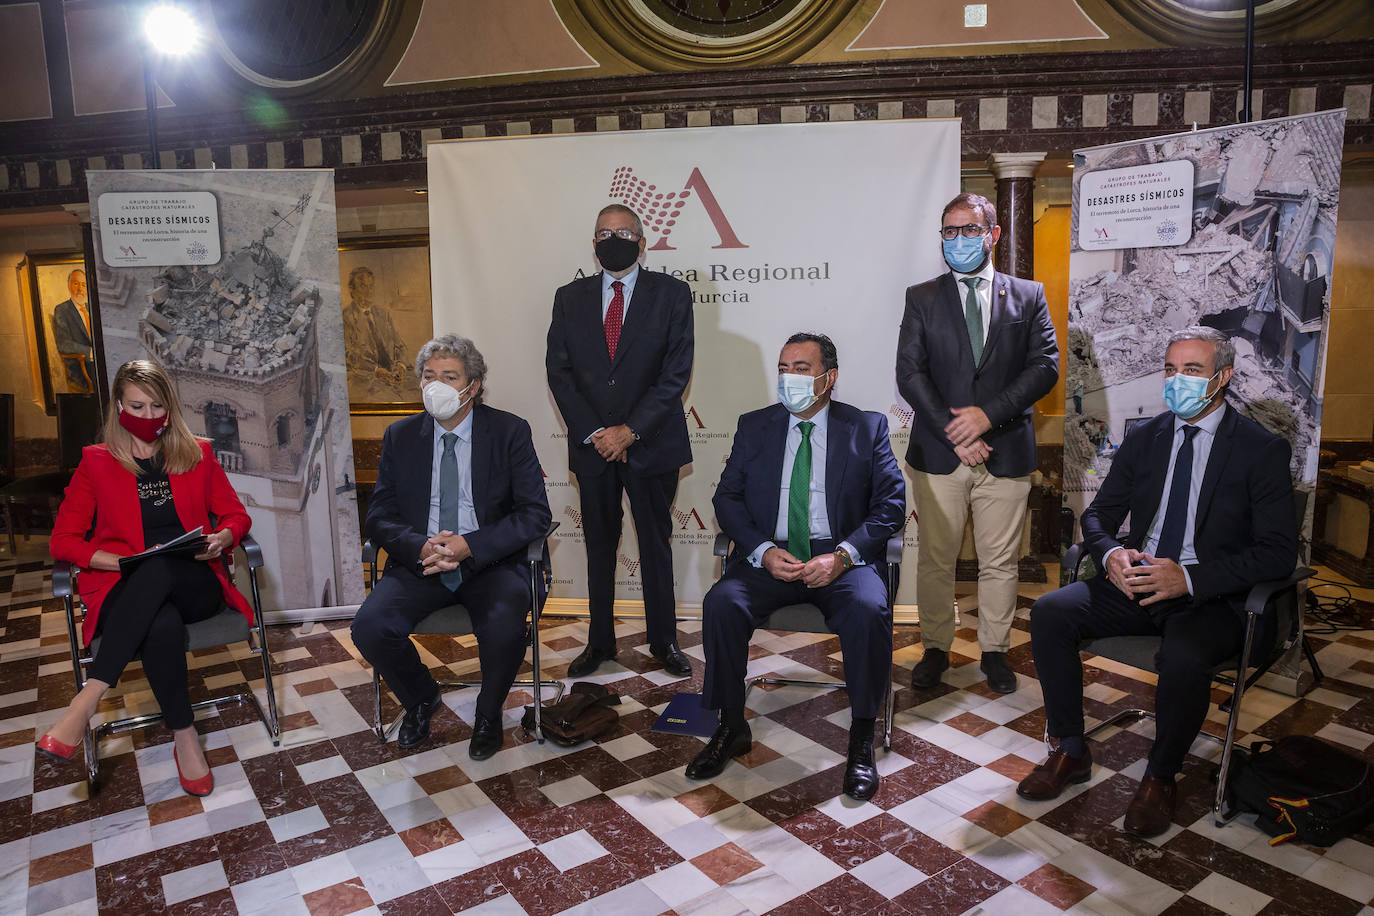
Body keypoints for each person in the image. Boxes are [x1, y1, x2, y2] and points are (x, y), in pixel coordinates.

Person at [1017, 327, 1296, 838]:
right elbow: (1098, 516)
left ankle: (1161, 776)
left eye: (1192, 370)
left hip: (1210, 596)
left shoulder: (1261, 450)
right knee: (1051, 612)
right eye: (1170, 370)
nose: (1177, 381)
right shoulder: (1147, 438)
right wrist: (1113, 554)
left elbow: (1278, 553)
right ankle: (1072, 750)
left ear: (1223, 377)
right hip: (1138, 581)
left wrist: (1188, 579)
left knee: (1183, 657)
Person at [688, 334, 905, 800]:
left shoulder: (866, 427)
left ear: (829, 378)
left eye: (801, 368)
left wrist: (843, 556)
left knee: (869, 610)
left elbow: (890, 506)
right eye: (784, 367)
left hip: (840, 556)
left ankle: (862, 737)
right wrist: (762, 551)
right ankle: (730, 725)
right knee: (721, 604)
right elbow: (726, 499)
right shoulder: (756, 426)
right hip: (774, 554)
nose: (789, 378)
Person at [40, 360, 252, 797]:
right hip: (125, 585)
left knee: (158, 564)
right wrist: (114, 563)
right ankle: (185, 735)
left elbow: (235, 514)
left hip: (194, 580)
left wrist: (223, 536)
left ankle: (86, 699)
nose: (149, 415)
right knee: (159, 621)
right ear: (119, 405)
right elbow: (63, 541)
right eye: (138, 405)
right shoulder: (96, 464)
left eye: (158, 406)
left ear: (170, 408)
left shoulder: (197, 454)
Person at [352, 335, 552, 758]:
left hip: (492, 562)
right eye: (429, 376)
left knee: (504, 625)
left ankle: (488, 713)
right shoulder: (400, 436)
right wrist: (421, 547)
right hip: (421, 561)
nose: (436, 385)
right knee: (369, 627)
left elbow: (533, 514)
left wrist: (468, 545)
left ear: (473, 386)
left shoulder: (508, 431)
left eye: (449, 376)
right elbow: (380, 514)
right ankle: (421, 697)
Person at [896, 192, 1059, 695]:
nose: (959, 240)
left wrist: (987, 417)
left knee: (1000, 562)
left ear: (993, 234)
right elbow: (909, 373)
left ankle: (994, 650)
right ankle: (936, 648)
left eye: (969, 229)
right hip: (941, 453)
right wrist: (957, 430)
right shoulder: (921, 297)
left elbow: (1045, 367)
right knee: (936, 560)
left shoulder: (1028, 295)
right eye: (949, 231)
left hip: (1005, 451)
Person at [546, 204, 694, 678]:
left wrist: (630, 431)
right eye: (604, 233)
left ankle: (664, 640)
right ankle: (600, 643)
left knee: (655, 543)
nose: (613, 239)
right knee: (598, 546)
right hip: (593, 449)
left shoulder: (672, 294)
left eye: (624, 232)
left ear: (642, 241)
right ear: (593, 244)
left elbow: (675, 373)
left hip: (651, 443)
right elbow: (560, 371)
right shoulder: (569, 298)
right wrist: (597, 433)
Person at [342, 266, 409, 396]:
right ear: (352, 289)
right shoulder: (346, 318)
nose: (369, 291)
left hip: (392, 376)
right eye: (363, 286)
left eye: (371, 286)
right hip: (365, 378)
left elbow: (398, 345)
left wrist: (401, 366)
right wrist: (376, 370)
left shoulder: (382, 314)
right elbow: (349, 355)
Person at [52, 268, 95, 393]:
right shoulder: (62, 310)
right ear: (69, 286)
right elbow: (63, 344)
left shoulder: (91, 308)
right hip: (81, 367)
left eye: (84, 285)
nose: (80, 289)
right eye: (76, 283)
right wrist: (90, 352)